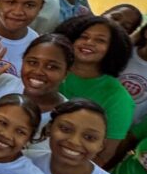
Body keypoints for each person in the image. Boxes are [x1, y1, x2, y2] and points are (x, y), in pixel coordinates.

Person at [56, 14, 135, 165]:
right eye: (83, 36)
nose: (89, 42)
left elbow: (104, 156)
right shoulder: (51, 68)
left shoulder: (118, 98)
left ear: (112, 49)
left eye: (100, 40)